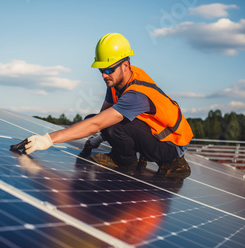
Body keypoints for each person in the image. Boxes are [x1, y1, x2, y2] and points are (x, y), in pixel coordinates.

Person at [22, 33, 193, 178]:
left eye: (109, 70)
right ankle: (125, 156)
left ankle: (145, 163)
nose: (104, 75)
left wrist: (48, 140)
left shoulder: (136, 93)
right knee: (97, 121)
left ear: (125, 66)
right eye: (101, 70)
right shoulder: (117, 82)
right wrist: (100, 136)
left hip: (172, 144)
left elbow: (100, 124)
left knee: (111, 126)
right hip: (155, 135)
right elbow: (100, 117)